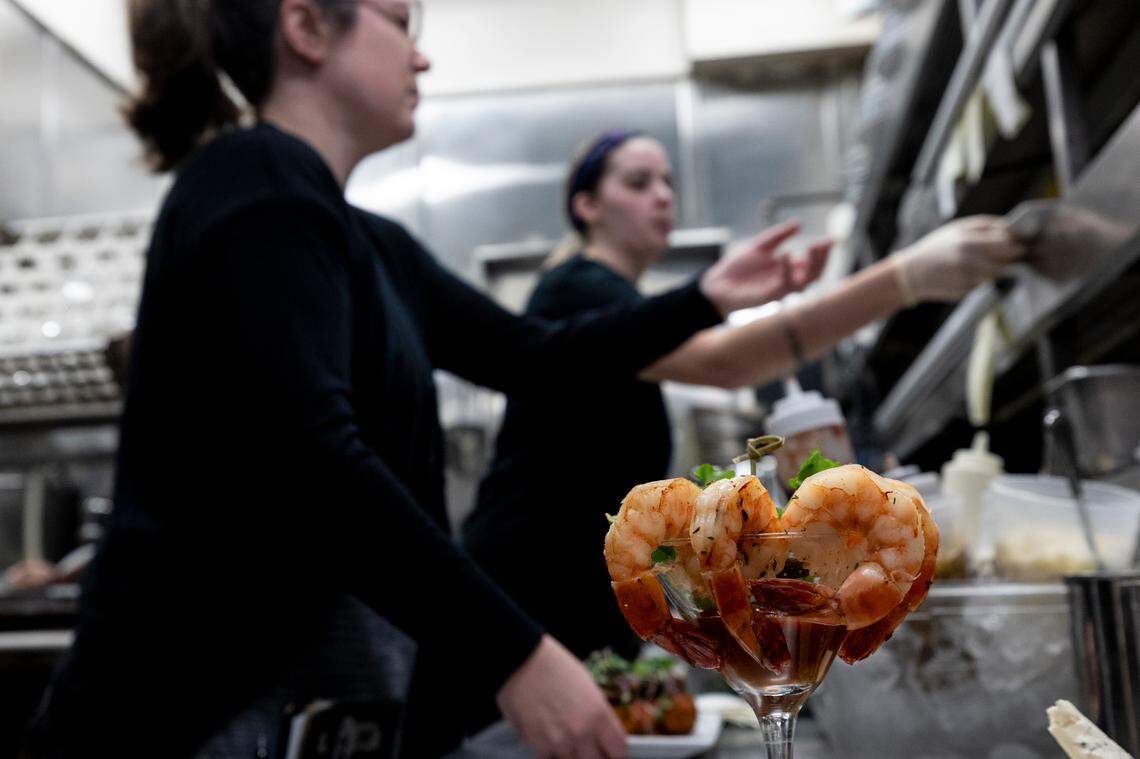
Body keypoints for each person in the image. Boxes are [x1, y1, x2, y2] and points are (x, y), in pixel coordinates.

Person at [24, 4, 828, 759]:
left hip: (310, 709)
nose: (423, 53)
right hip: (190, 714)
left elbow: (531, 354)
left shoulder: (364, 239)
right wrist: (516, 653)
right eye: (399, 21)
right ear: (305, 26)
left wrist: (705, 296)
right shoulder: (253, 184)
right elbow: (313, 460)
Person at [462, 129, 1025, 665]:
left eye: (667, 182)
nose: (662, 196)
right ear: (587, 207)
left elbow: (731, 356)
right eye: (638, 183)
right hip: (529, 581)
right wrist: (905, 279)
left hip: (560, 581)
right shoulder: (576, 287)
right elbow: (729, 362)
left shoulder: (620, 301)